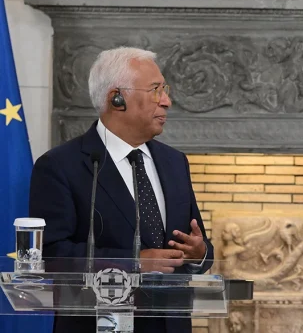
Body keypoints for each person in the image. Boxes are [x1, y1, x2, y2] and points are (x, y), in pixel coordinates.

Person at [29, 47, 214, 333]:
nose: (167, 101)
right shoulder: (59, 165)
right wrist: (132, 263)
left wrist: (198, 253)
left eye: (164, 90)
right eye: (155, 90)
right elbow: (51, 255)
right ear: (117, 98)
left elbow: (199, 247)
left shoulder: (175, 162)